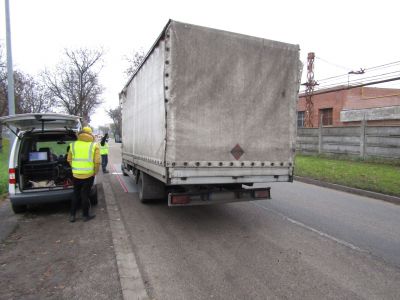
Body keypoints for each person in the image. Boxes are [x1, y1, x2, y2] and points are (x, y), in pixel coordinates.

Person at [67, 126, 100, 222]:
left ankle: (72, 216)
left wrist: (75, 168)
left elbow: (69, 159)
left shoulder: (73, 145)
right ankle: (85, 216)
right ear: (90, 134)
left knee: (75, 194)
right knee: (85, 195)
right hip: (89, 175)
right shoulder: (94, 145)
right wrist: (95, 172)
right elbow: (97, 162)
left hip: (76, 174)